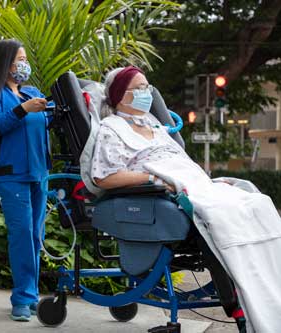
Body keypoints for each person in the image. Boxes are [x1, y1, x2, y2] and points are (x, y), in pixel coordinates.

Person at [89, 66, 281, 333]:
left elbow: (182, 163)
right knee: (219, 216)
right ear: (121, 95)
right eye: (140, 89)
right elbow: (104, 177)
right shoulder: (112, 129)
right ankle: (239, 308)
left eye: (148, 87)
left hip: (194, 185)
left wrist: (208, 182)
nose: (148, 93)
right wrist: (153, 180)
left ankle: (270, 297)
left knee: (257, 204)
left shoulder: (155, 127)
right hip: (164, 191)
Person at [0, 39, 51, 322]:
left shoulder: (32, 92)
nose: (23, 64)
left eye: (25, 58)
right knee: (21, 235)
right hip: (10, 174)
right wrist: (23, 110)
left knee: (35, 236)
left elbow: (46, 125)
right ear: (4, 62)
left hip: (39, 173)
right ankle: (23, 299)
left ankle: (29, 296)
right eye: (19, 59)